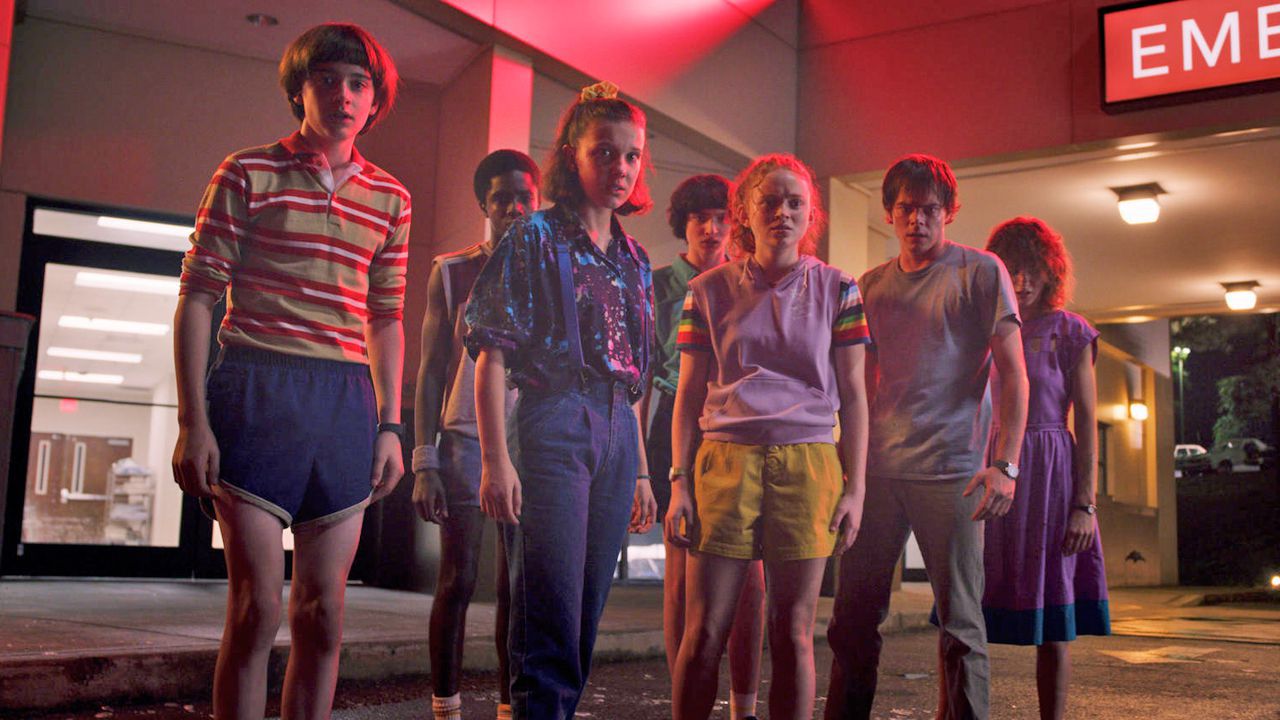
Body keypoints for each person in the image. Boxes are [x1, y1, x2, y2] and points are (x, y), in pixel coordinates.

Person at [171, 23, 409, 720]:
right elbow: (198, 297)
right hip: (255, 388)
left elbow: (386, 318)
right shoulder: (246, 172)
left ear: (374, 100)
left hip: (345, 401)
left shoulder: (391, 198)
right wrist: (193, 421)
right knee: (255, 609)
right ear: (298, 90)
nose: (343, 94)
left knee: (323, 612)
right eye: (326, 79)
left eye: (358, 83)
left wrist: (391, 426)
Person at [463, 81, 658, 720]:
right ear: (573, 156)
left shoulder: (635, 258)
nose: (620, 168)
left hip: (617, 428)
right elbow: (491, 354)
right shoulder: (534, 236)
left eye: (632, 155)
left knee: (583, 620)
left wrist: (642, 470)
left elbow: (632, 375)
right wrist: (495, 460)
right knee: (548, 613)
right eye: (605, 152)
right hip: (553, 420)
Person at [825, 153, 1029, 720]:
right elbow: (857, 387)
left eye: (930, 209)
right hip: (877, 475)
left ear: (949, 211)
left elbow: (1014, 373)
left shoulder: (980, 272)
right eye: (906, 209)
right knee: (851, 622)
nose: (917, 220)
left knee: (962, 625)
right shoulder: (869, 286)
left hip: (953, 474)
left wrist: (1006, 464)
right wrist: (847, 468)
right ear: (890, 213)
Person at [667, 153, 871, 720]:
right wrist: (679, 481)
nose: (783, 212)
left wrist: (856, 489)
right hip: (725, 461)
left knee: (794, 632)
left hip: (809, 464)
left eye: (795, 203)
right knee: (704, 629)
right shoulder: (706, 290)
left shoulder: (840, 288)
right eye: (770, 201)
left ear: (811, 215)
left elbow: (855, 396)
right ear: (745, 212)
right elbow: (688, 393)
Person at [411, 149, 540, 720]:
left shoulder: (549, 271)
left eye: (524, 197)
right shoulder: (452, 270)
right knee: (457, 579)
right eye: (501, 199)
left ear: (537, 200)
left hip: (528, 441)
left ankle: (512, 708)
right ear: (483, 205)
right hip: (463, 440)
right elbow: (430, 370)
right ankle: (446, 707)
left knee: (517, 586)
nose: (514, 208)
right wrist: (425, 461)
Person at [644, 174, 766, 720]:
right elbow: (641, 378)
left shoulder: (747, 277)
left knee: (750, 575)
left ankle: (744, 705)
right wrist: (638, 469)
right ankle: (685, 701)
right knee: (680, 574)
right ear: (683, 223)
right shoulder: (657, 285)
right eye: (700, 218)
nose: (712, 229)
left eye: (722, 218)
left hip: (738, 424)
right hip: (676, 422)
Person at [981, 216, 1110, 720]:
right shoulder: (986, 327)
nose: (1021, 281)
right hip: (991, 465)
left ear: (1050, 272)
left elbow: (1088, 424)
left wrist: (1085, 505)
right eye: (1011, 269)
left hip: (1052, 474)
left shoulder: (1071, 331)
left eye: (1032, 269)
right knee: (964, 610)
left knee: (1055, 620)